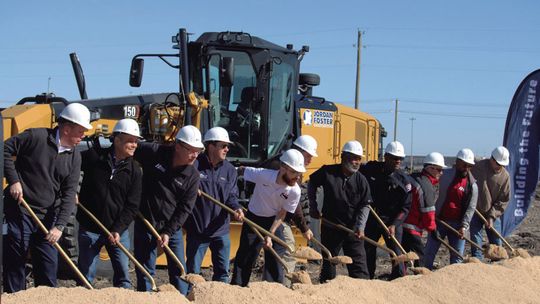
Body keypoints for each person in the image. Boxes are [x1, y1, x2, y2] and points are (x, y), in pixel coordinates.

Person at [3, 103, 92, 293]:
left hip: (48, 215)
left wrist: (59, 226)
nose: (83, 136)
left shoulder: (75, 156)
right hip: (21, 209)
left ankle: (46, 297)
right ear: (67, 129)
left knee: (48, 265)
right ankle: (16, 297)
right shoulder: (36, 137)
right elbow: (4, 150)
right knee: (16, 259)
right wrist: (13, 181)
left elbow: (69, 194)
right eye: (80, 131)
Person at [133, 125, 203, 294]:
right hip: (146, 222)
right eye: (191, 150)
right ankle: (146, 298)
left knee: (179, 271)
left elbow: (185, 208)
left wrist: (168, 232)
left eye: (198, 151)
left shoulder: (192, 176)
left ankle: (181, 298)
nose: (195, 155)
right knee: (145, 270)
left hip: (172, 228)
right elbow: (130, 149)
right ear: (178, 145)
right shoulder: (154, 152)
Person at [76, 118, 143, 288]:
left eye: (136, 141)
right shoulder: (93, 158)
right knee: (85, 276)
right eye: (130, 141)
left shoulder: (134, 170)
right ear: (117, 139)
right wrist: (70, 193)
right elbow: (68, 166)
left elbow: (132, 205)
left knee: (123, 278)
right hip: (90, 229)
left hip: (118, 232)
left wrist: (118, 229)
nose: (134, 145)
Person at [230, 149, 305, 286]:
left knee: (278, 250)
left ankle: (272, 288)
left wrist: (270, 235)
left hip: (274, 220)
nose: (297, 177)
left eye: (299, 173)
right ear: (283, 168)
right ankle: (238, 287)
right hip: (253, 218)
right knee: (246, 255)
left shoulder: (295, 191)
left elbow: (282, 214)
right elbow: (240, 170)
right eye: (294, 172)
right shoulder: (263, 175)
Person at [185, 127, 244, 283]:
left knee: (223, 273)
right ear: (211, 146)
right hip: (198, 230)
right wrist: (190, 189)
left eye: (227, 146)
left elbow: (231, 195)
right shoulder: (194, 166)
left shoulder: (230, 170)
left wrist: (236, 208)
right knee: (192, 274)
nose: (227, 149)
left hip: (221, 230)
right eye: (223, 146)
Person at [308, 140, 372, 283]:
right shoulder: (327, 172)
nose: (356, 162)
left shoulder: (361, 180)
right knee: (330, 262)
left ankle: (362, 292)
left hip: (353, 230)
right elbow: (312, 183)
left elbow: (365, 206)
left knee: (359, 267)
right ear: (343, 157)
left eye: (359, 159)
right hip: (331, 227)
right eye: (353, 158)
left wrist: (361, 227)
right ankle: (327, 290)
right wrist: (313, 205)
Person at [260, 135, 316, 274]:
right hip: (273, 216)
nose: (311, 160)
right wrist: (303, 228)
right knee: (287, 248)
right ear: (300, 152)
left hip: (274, 214)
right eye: (309, 156)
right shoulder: (283, 168)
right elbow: (293, 204)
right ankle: (283, 284)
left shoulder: (290, 166)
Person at [361, 141, 411, 279]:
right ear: (386, 156)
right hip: (373, 217)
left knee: (397, 253)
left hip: (392, 221)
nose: (398, 161)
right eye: (395, 158)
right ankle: (367, 280)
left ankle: (398, 280)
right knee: (368, 251)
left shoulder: (404, 181)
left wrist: (394, 225)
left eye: (400, 158)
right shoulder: (371, 168)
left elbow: (405, 208)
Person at [423, 148, 478, 269]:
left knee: (457, 256)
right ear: (457, 162)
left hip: (458, 226)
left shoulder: (472, 185)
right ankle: (424, 275)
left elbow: (471, 208)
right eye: (464, 165)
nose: (466, 168)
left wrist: (464, 226)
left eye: (469, 166)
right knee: (429, 252)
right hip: (439, 221)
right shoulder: (444, 175)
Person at [402, 152, 445, 267]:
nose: (441, 173)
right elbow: (428, 211)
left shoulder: (414, 178)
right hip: (412, 227)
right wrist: (433, 229)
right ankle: (419, 280)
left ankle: (399, 278)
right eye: (439, 170)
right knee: (420, 257)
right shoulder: (426, 185)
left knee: (404, 255)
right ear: (430, 168)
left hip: (402, 224)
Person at [469, 146, 510, 259]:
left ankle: (498, 265)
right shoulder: (479, 166)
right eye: (497, 163)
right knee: (476, 241)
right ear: (492, 159)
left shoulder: (505, 177)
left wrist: (491, 217)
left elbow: (503, 200)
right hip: (476, 211)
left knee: (496, 244)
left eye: (501, 164)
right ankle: (477, 264)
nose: (499, 166)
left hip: (493, 214)